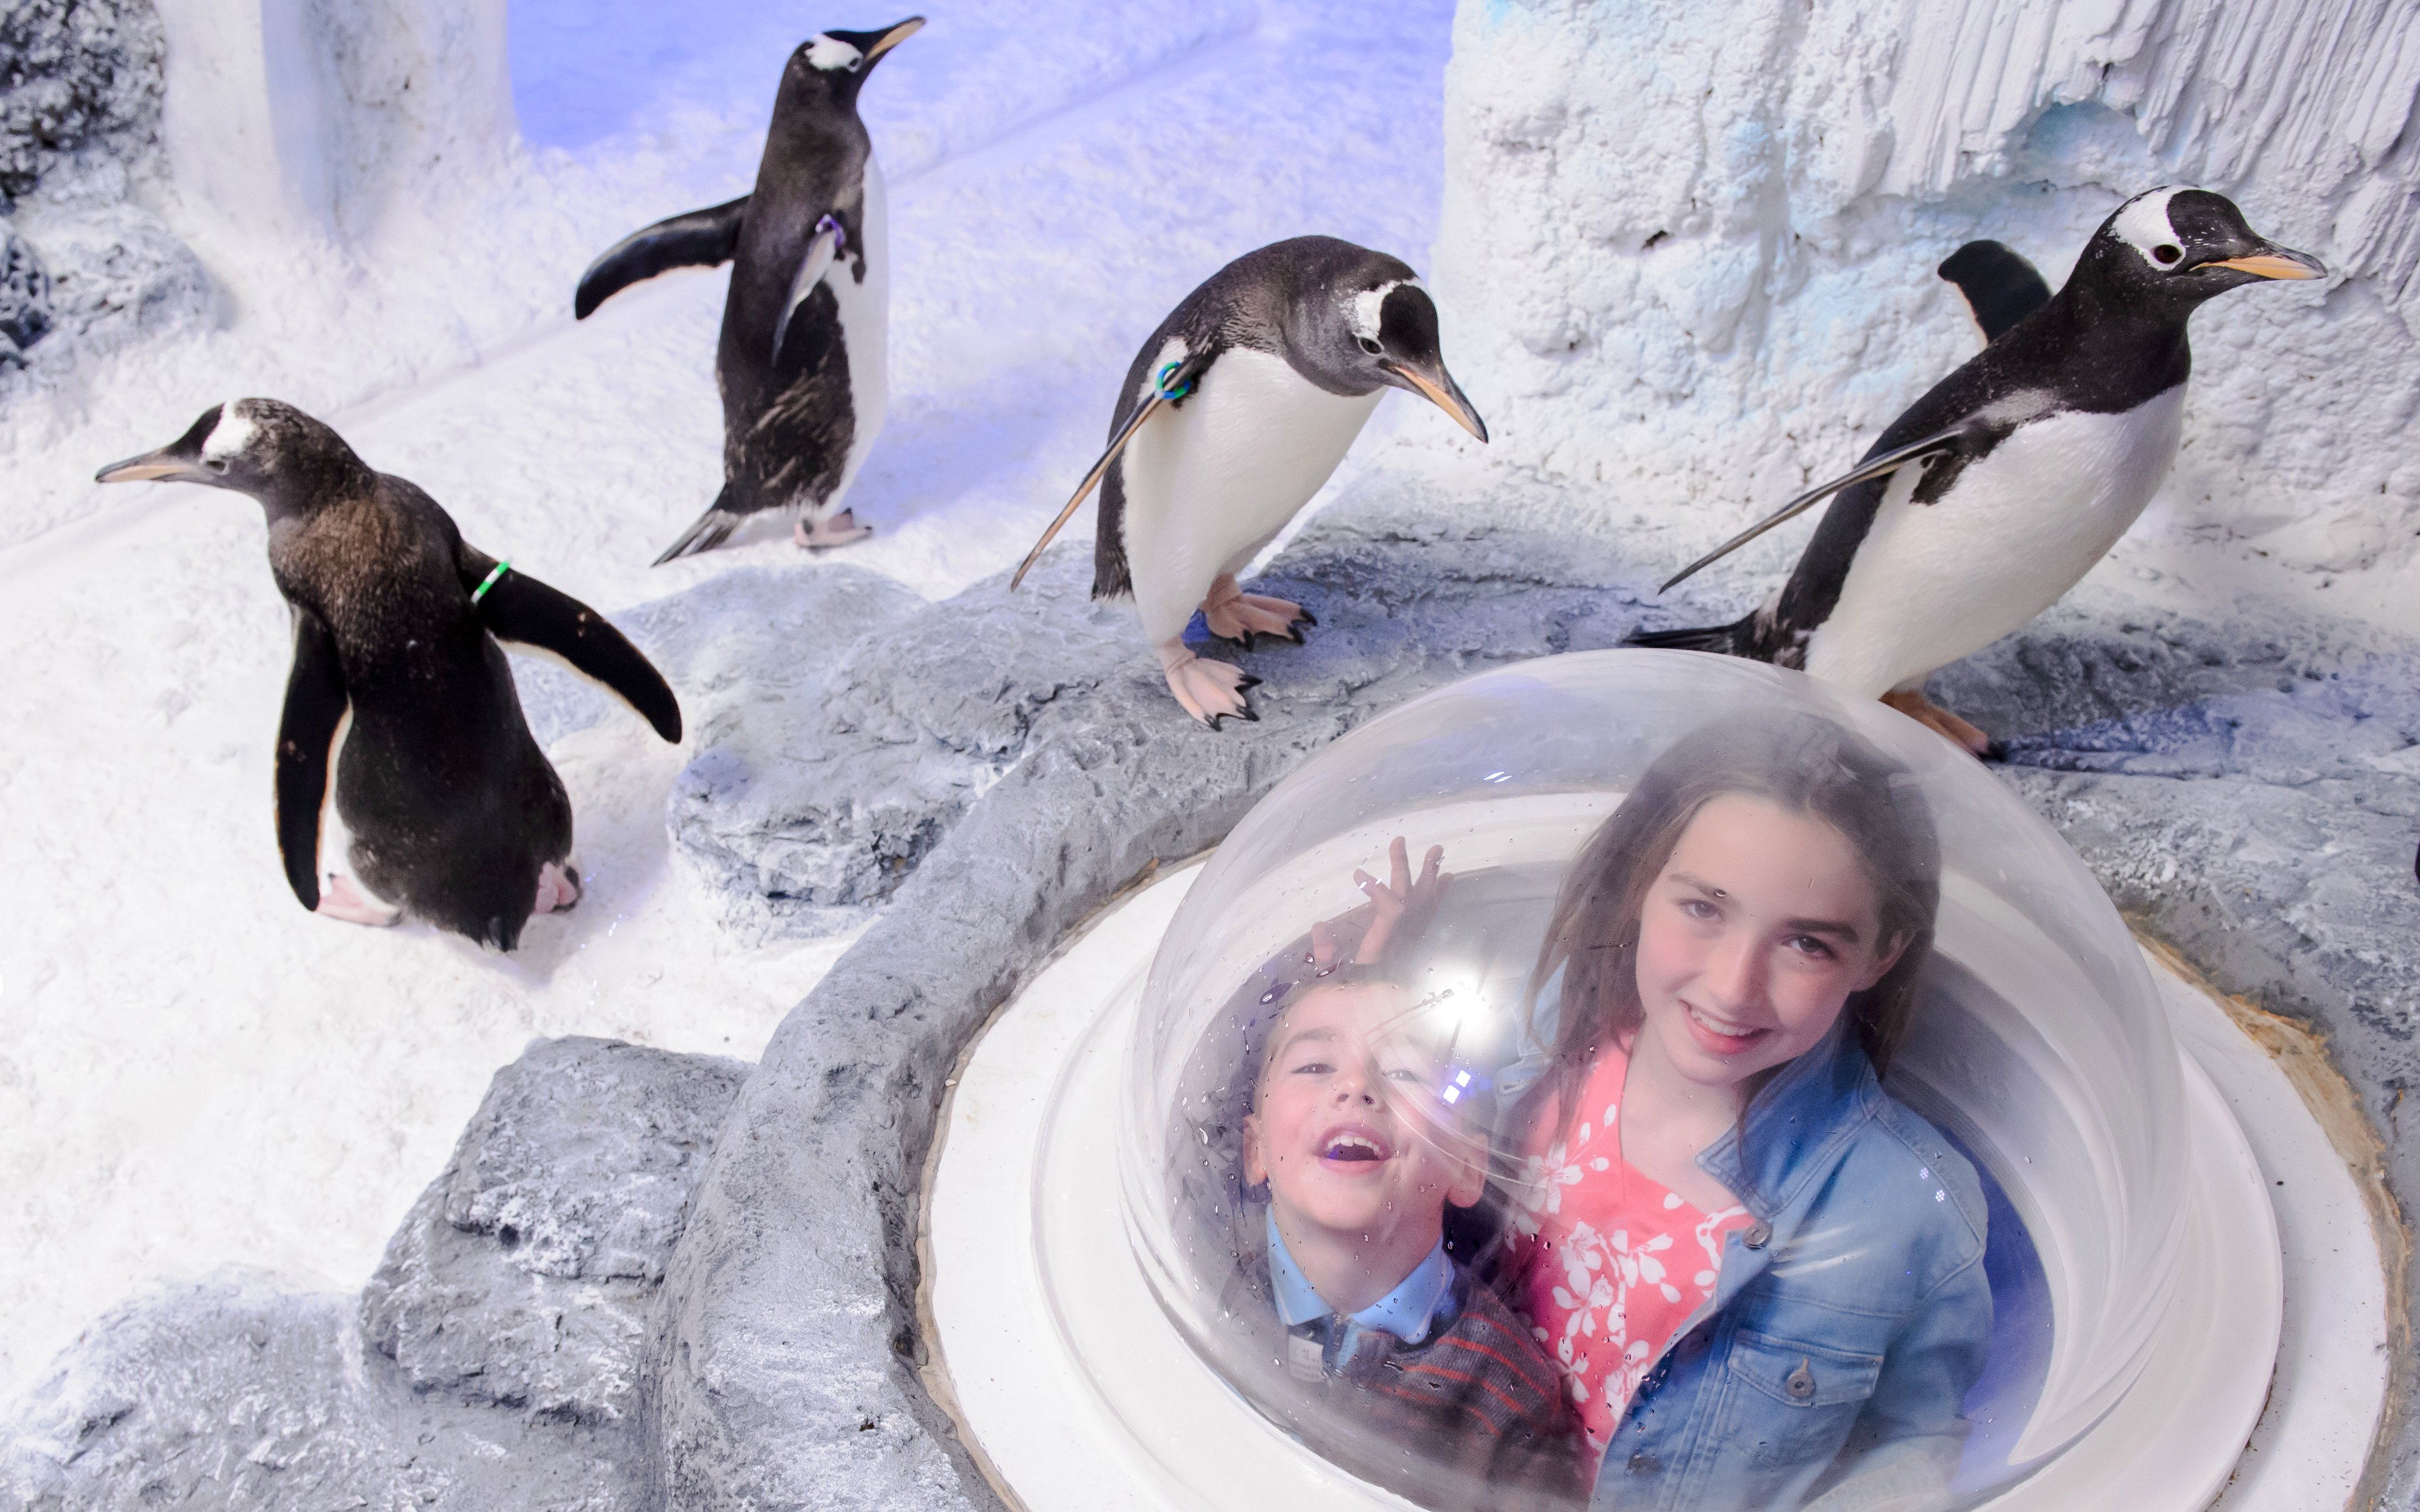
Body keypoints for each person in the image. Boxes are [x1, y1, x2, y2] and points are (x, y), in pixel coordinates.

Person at [1493, 711, 1991, 1512]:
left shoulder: (1913, 1209)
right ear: (1639, 885)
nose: (1732, 986)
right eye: (1703, 908)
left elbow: (1916, 1442)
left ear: (1883, 951)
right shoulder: (1557, 1039)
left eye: (1808, 944)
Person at [1236, 967, 1585, 1510]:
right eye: (1314, 1066)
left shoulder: (1511, 1389)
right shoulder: (1216, 1285)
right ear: (1256, 1151)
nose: (1355, 1087)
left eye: (1403, 1073)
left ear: (1467, 1168)